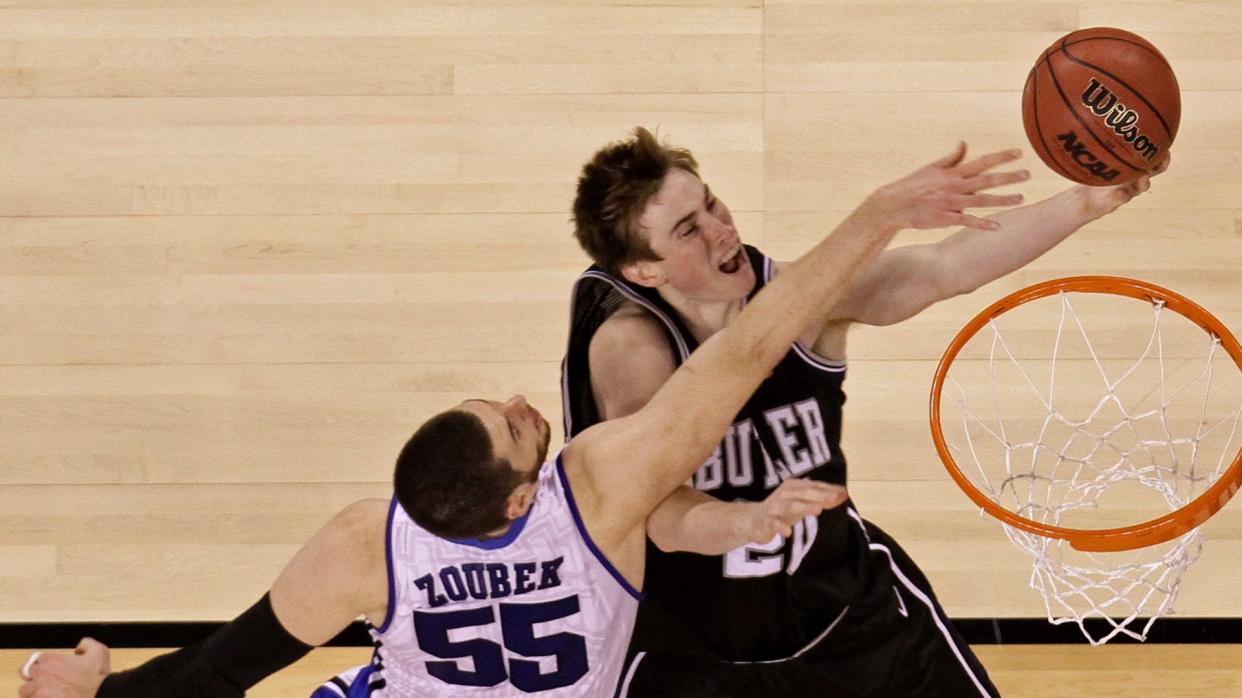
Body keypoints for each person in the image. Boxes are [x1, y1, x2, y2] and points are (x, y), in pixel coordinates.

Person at [12, 135, 1031, 697]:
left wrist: (107, 692)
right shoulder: (592, 495)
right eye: (511, 422)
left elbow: (220, 670)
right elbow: (754, 346)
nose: (519, 400)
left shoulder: (373, 544)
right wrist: (881, 210)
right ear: (513, 499)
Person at [563, 127, 1167, 697]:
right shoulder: (629, 349)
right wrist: (743, 522)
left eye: (714, 206)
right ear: (644, 269)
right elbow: (658, 511)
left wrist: (1087, 202)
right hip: (691, 652)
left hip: (846, 613)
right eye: (689, 229)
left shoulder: (800, 296)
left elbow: (942, 268)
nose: (721, 231)